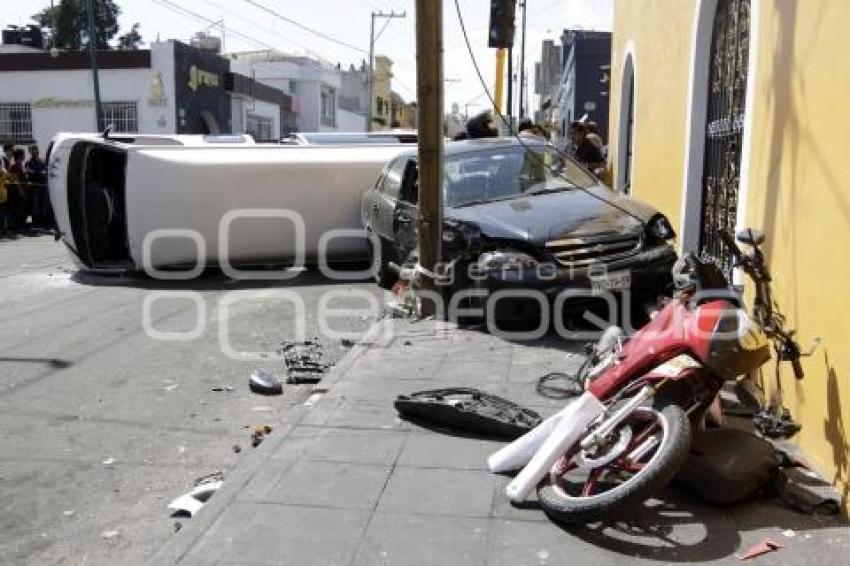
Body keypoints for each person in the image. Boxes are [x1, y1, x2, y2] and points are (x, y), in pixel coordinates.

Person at [25, 145, 48, 229]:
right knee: (35, 206)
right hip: (35, 188)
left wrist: (38, 173)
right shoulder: (28, 163)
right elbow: (30, 173)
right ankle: (36, 223)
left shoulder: (42, 162)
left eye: (36, 150)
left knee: (43, 206)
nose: (35, 152)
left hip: (43, 187)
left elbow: (45, 172)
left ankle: (43, 223)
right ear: (30, 152)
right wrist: (39, 173)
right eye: (33, 150)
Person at [8, 148, 29, 231]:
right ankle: (17, 226)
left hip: (23, 190)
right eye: (23, 154)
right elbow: (15, 179)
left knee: (23, 209)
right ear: (20, 156)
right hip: (17, 191)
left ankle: (21, 224)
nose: (24, 156)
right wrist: (21, 190)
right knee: (17, 209)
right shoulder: (14, 166)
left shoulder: (21, 165)